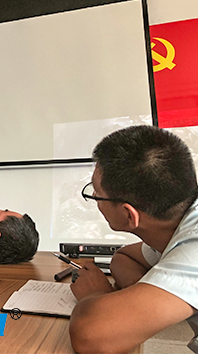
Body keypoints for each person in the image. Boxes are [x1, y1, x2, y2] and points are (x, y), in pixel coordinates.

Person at [69, 125, 198, 354]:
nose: (95, 198)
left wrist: (95, 295)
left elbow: (90, 335)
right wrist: (138, 297)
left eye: (97, 194)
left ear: (129, 215)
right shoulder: (175, 226)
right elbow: (124, 257)